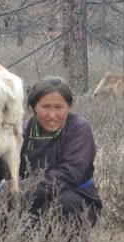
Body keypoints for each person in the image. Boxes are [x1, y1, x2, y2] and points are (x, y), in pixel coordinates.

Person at [18, 76, 102, 231]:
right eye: (45, 107)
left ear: (68, 107)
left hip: (75, 198)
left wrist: (24, 190)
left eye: (58, 107)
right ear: (33, 107)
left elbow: (72, 173)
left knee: (64, 201)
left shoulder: (78, 128)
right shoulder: (22, 132)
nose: (52, 115)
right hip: (30, 198)